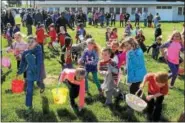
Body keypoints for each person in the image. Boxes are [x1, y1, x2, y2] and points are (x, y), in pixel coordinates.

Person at [17, 36, 46, 114]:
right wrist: (19, 71)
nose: (30, 44)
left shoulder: (39, 52)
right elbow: (23, 63)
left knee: (39, 83)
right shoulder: (25, 53)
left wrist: (39, 77)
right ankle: (29, 106)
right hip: (30, 73)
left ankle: (41, 85)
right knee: (29, 90)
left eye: (32, 42)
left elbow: (39, 64)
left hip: (38, 72)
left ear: (36, 42)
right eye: (28, 42)